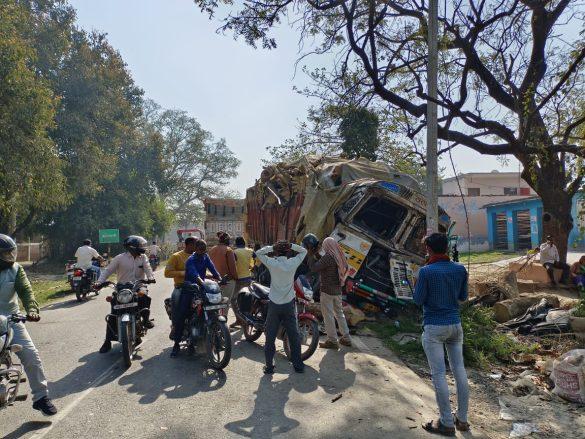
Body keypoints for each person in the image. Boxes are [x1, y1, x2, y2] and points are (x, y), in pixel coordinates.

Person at [414, 233, 469, 436]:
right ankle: (462, 419)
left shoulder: (426, 272)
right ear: (446, 247)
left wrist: (416, 283)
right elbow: (463, 297)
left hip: (434, 327)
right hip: (455, 324)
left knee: (439, 374)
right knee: (459, 370)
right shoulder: (460, 269)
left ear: (428, 248)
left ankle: (446, 423)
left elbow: (418, 300)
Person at [0, 234, 58, 416]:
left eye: (11, 253)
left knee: (31, 356)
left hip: (11, 318)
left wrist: (32, 309)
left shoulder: (16, 270)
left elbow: (26, 290)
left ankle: (41, 397)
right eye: (5, 254)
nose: (10, 257)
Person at [96, 235, 156, 354]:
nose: (142, 248)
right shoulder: (119, 258)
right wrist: (99, 282)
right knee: (114, 312)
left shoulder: (143, 257)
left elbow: (148, 269)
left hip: (138, 285)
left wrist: (150, 278)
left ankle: (145, 320)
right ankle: (107, 341)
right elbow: (108, 271)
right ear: (132, 247)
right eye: (140, 246)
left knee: (144, 295)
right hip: (122, 287)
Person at [255, 240, 307, 374]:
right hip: (288, 304)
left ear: (276, 251)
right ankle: (298, 366)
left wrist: (271, 246)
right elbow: (304, 251)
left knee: (270, 335)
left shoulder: (272, 263)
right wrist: (292, 245)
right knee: (293, 335)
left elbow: (258, 253)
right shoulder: (292, 263)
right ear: (288, 251)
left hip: (274, 304)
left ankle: (269, 367)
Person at [171, 239, 222, 357]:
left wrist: (220, 278)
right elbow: (195, 274)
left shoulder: (205, 257)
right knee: (182, 314)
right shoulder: (191, 260)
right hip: (189, 288)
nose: (202, 253)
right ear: (196, 249)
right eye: (200, 251)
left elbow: (213, 269)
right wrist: (201, 282)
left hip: (202, 288)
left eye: (204, 251)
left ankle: (215, 336)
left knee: (213, 308)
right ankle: (176, 344)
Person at [306, 236, 352, 349]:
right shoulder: (338, 257)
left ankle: (332, 340)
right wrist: (316, 255)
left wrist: (311, 254)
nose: (322, 247)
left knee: (328, 316)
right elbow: (322, 262)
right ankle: (346, 338)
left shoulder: (328, 258)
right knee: (339, 314)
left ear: (328, 246)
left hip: (327, 291)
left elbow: (314, 268)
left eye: (324, 245)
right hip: (337, 291)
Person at [165, 236, 198, 335]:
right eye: (196, 244)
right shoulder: (176, 256)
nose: (198, 246)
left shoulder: (199, 256)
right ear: (189, 245)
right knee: (177, 308)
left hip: (197, 287)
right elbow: (167, 273)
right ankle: (176, 330)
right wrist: (184, 273)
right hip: (181, 287)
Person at [208, 232, 238, 318]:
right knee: (225, 304)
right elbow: (233, 268)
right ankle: (223, 324)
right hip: (227, 281)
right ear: (227, 240)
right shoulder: (228, 250)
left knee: (215, 304)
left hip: (214, 281)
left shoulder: (212, 249)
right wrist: (236, 278)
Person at [233, 236, 254, 328]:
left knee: (234, 299)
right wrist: (252, 267)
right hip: (248, 278)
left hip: (238, 279)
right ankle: (246, 318)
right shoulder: (250, 251)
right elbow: (257, 260)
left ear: (236, 244)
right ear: (244, 243)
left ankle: (239, 319)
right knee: (246, 299)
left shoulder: (234, 252)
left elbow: (232, 264)